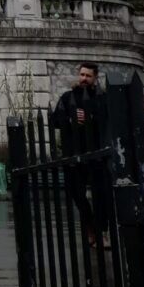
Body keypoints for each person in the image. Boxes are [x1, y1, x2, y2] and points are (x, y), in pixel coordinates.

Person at [50, 62, 109, 247]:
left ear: (95, 77)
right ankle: (91, 226)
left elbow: (109, 121)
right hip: (73, 153)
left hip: (96, 153)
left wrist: (90, 119)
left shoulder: (101, 97)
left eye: (88, 76)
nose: (84, 78)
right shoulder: (68, 97)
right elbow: (55, 121)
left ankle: (102, 231)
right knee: (77, 194)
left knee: (101, 194)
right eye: (82, 74)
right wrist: (71, 119)